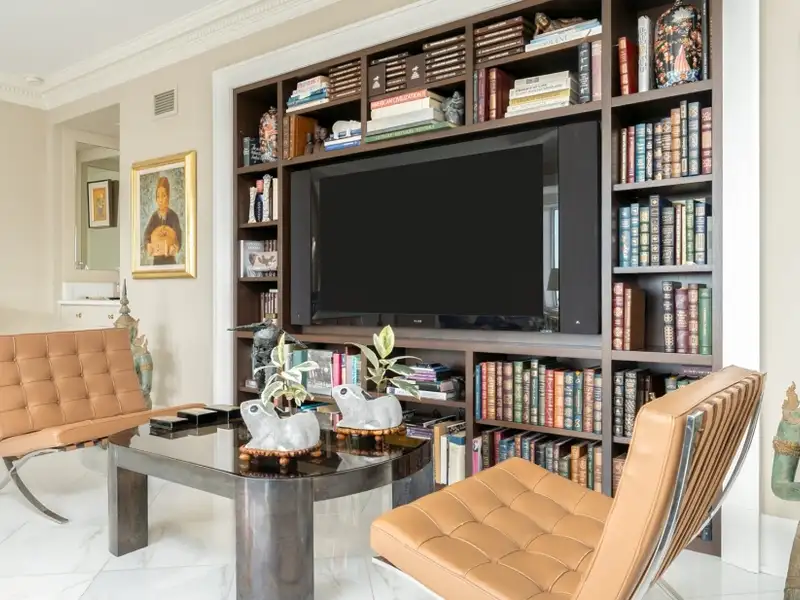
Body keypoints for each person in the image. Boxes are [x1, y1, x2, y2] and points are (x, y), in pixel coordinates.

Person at [143, 175, 182, 265]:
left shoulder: (173, 216)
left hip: (170, 262)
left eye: (163, 196)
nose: (160, 200)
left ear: (168, 197)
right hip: (156, 262)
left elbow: (179, 238)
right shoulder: (154, 217)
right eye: (158, 196)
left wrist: (175, 247)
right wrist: (148, 245)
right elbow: (146, 236)